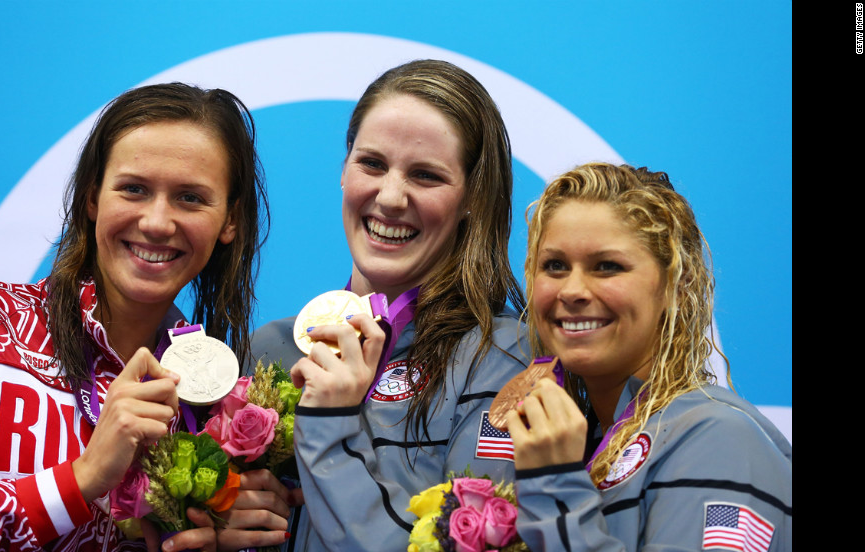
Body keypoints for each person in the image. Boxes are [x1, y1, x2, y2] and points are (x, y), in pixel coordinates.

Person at [0, 83, 297, 552]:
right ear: (93, 196)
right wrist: (81, 479)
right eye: (134, 189)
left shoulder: (218, 409)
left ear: (229, 221)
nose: (157, 222)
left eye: (191, 198)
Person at [248, 59, 532, 551]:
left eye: (425, 176)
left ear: (472, 198)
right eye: (372, 164)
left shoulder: (504, 359)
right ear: (343, 170)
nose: (391, 197)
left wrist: (331, 431)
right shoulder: (273, 346)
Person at [508, 162, 792, 551]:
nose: (572, 290)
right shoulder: (583, 440)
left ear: (677, 286)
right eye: (554, 266)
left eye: (607, 267)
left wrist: (555, 485)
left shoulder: (720, 440)